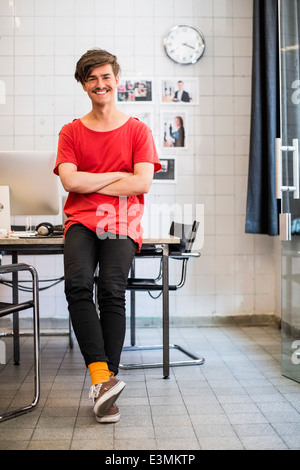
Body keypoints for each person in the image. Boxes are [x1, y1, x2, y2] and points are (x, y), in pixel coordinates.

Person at [53, 48, 161, 424]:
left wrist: (91, 181)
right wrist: (118, 176)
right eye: (92, 78)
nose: (100, 84)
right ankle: (103, 380)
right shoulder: (71, 131)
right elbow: (70, 181)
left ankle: (104, 385)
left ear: (117, 80)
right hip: (81, 221)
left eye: (105, 77)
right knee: (78, 285)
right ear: (84, 85)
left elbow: (143, 180)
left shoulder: (137, 130)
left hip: (121, 221)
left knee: (112, 290)